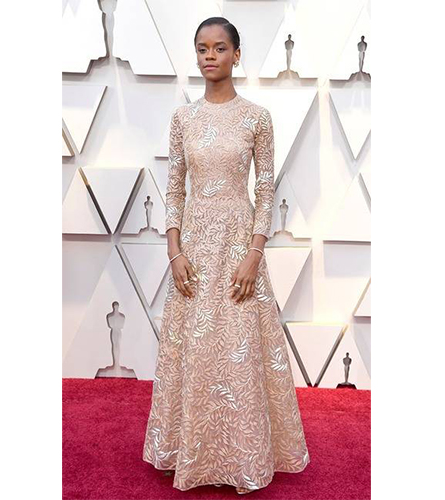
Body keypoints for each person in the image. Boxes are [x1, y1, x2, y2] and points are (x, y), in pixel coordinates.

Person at [142, 17, 310, 495]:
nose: (209, 56)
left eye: (219, 48)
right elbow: (175, 188)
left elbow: (264, 188)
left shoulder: (257, 118)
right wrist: (174, 251)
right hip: (194, 247)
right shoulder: (184, 119)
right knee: (194, 347)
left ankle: (245, 456)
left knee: (239, 348)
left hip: (239, 245)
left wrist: (255, 252)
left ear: (237, 55)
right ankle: (188, 450)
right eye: (202, 48)